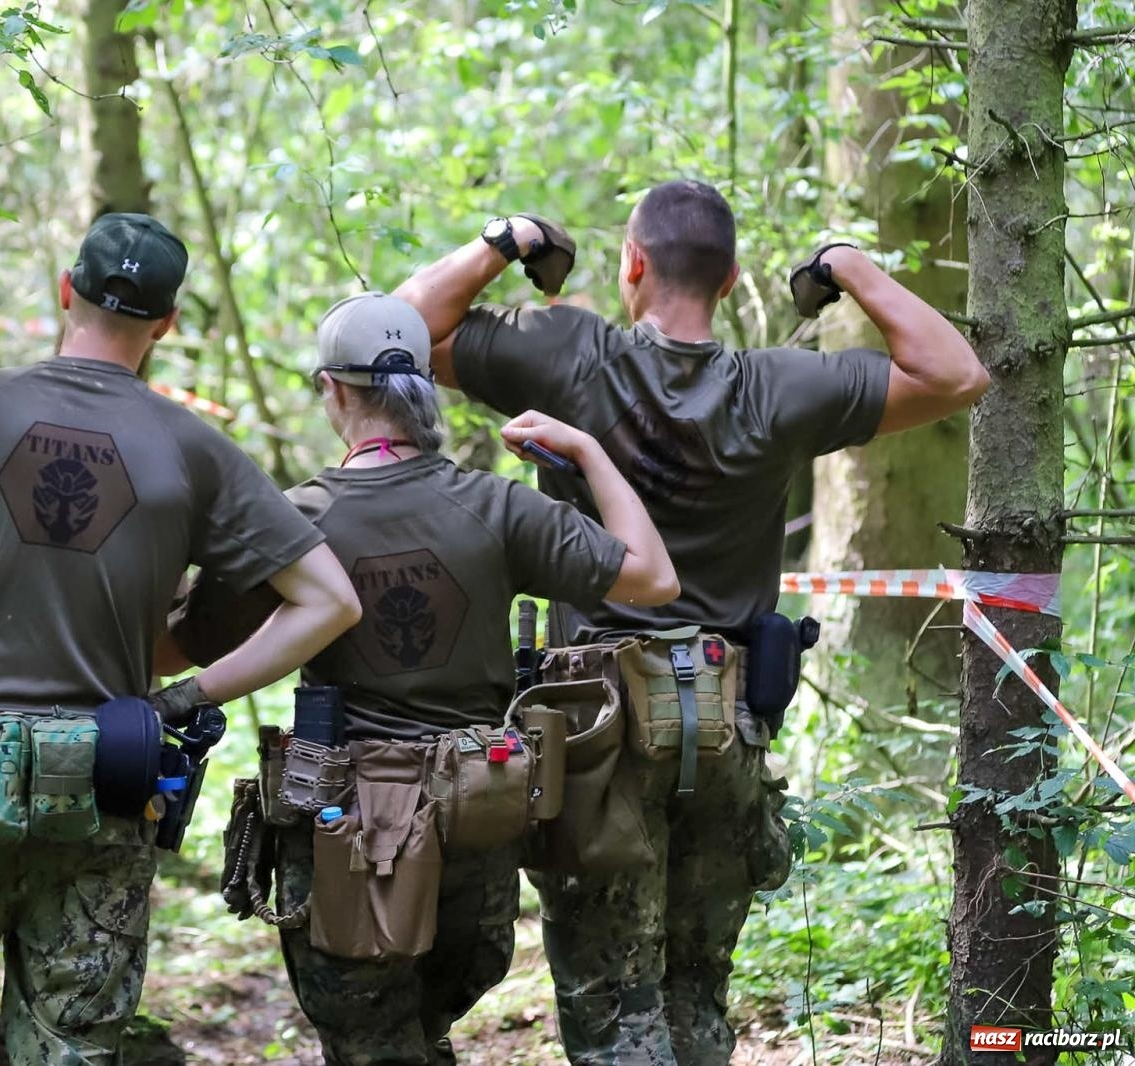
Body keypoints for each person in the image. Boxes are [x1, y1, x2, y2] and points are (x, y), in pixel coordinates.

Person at [393, 186, 989, 1065]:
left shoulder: (569, 353)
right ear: (732, 276)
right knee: (697, 996)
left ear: (633, 263)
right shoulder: (777, 388)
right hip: (724, 722)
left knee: (611, 1011)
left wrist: (505, 240)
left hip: (594, 733)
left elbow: (396, 332)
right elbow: (957, 374)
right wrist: (846, 267)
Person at [0, 212, 361, 1066]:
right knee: (69, 1047)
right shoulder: (194, 450)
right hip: (103, 787)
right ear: (167, 325)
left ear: (65, 290)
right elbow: (328, 601)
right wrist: (189, 695)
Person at [166, 291, 679, 1066]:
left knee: (369, 1038)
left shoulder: (294, 519)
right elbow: (653, 578)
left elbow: (182, 645)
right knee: (427, 1020)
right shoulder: (498, 507)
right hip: (479, 819)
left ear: (331, 389)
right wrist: (590, 454)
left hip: (348, 830)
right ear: (424, 393)